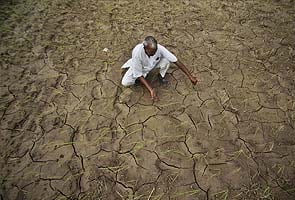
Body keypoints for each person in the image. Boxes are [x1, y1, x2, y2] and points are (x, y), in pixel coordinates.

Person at [121, 36, 197, 101]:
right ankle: (138, 79)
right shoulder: (137, 53)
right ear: (145, 49)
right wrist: (151, 89)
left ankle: (161, 76)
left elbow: (176, 61)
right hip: (140, 67)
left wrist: (190, 76)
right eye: (152, 52)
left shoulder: (160, 48)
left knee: (166, 61)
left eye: (155, 51)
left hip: (152, 65)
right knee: (125, 83)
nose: (154, 53)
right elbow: (138, 73)